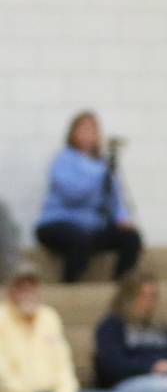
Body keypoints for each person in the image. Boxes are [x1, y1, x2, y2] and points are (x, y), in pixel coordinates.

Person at [0, 262, 118, 392]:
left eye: (32, 287)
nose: (28, 292)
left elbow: (64, 364)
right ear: (9, 292)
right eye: (21, 287)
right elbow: (4, 378)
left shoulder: (49, 316)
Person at [35, 111, 142, 283]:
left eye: (93, 129)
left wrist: (121, 218)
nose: (89, 134)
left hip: (92, 229)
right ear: (73, 132)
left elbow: (115, 198)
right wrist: (100, 175)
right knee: (78, 240)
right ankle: (70, 286)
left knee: (131, 238)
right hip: (59, 224)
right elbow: (72, 194)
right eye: (84, 129)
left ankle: (119, 285)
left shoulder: (102, 164)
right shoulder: (62, 160)